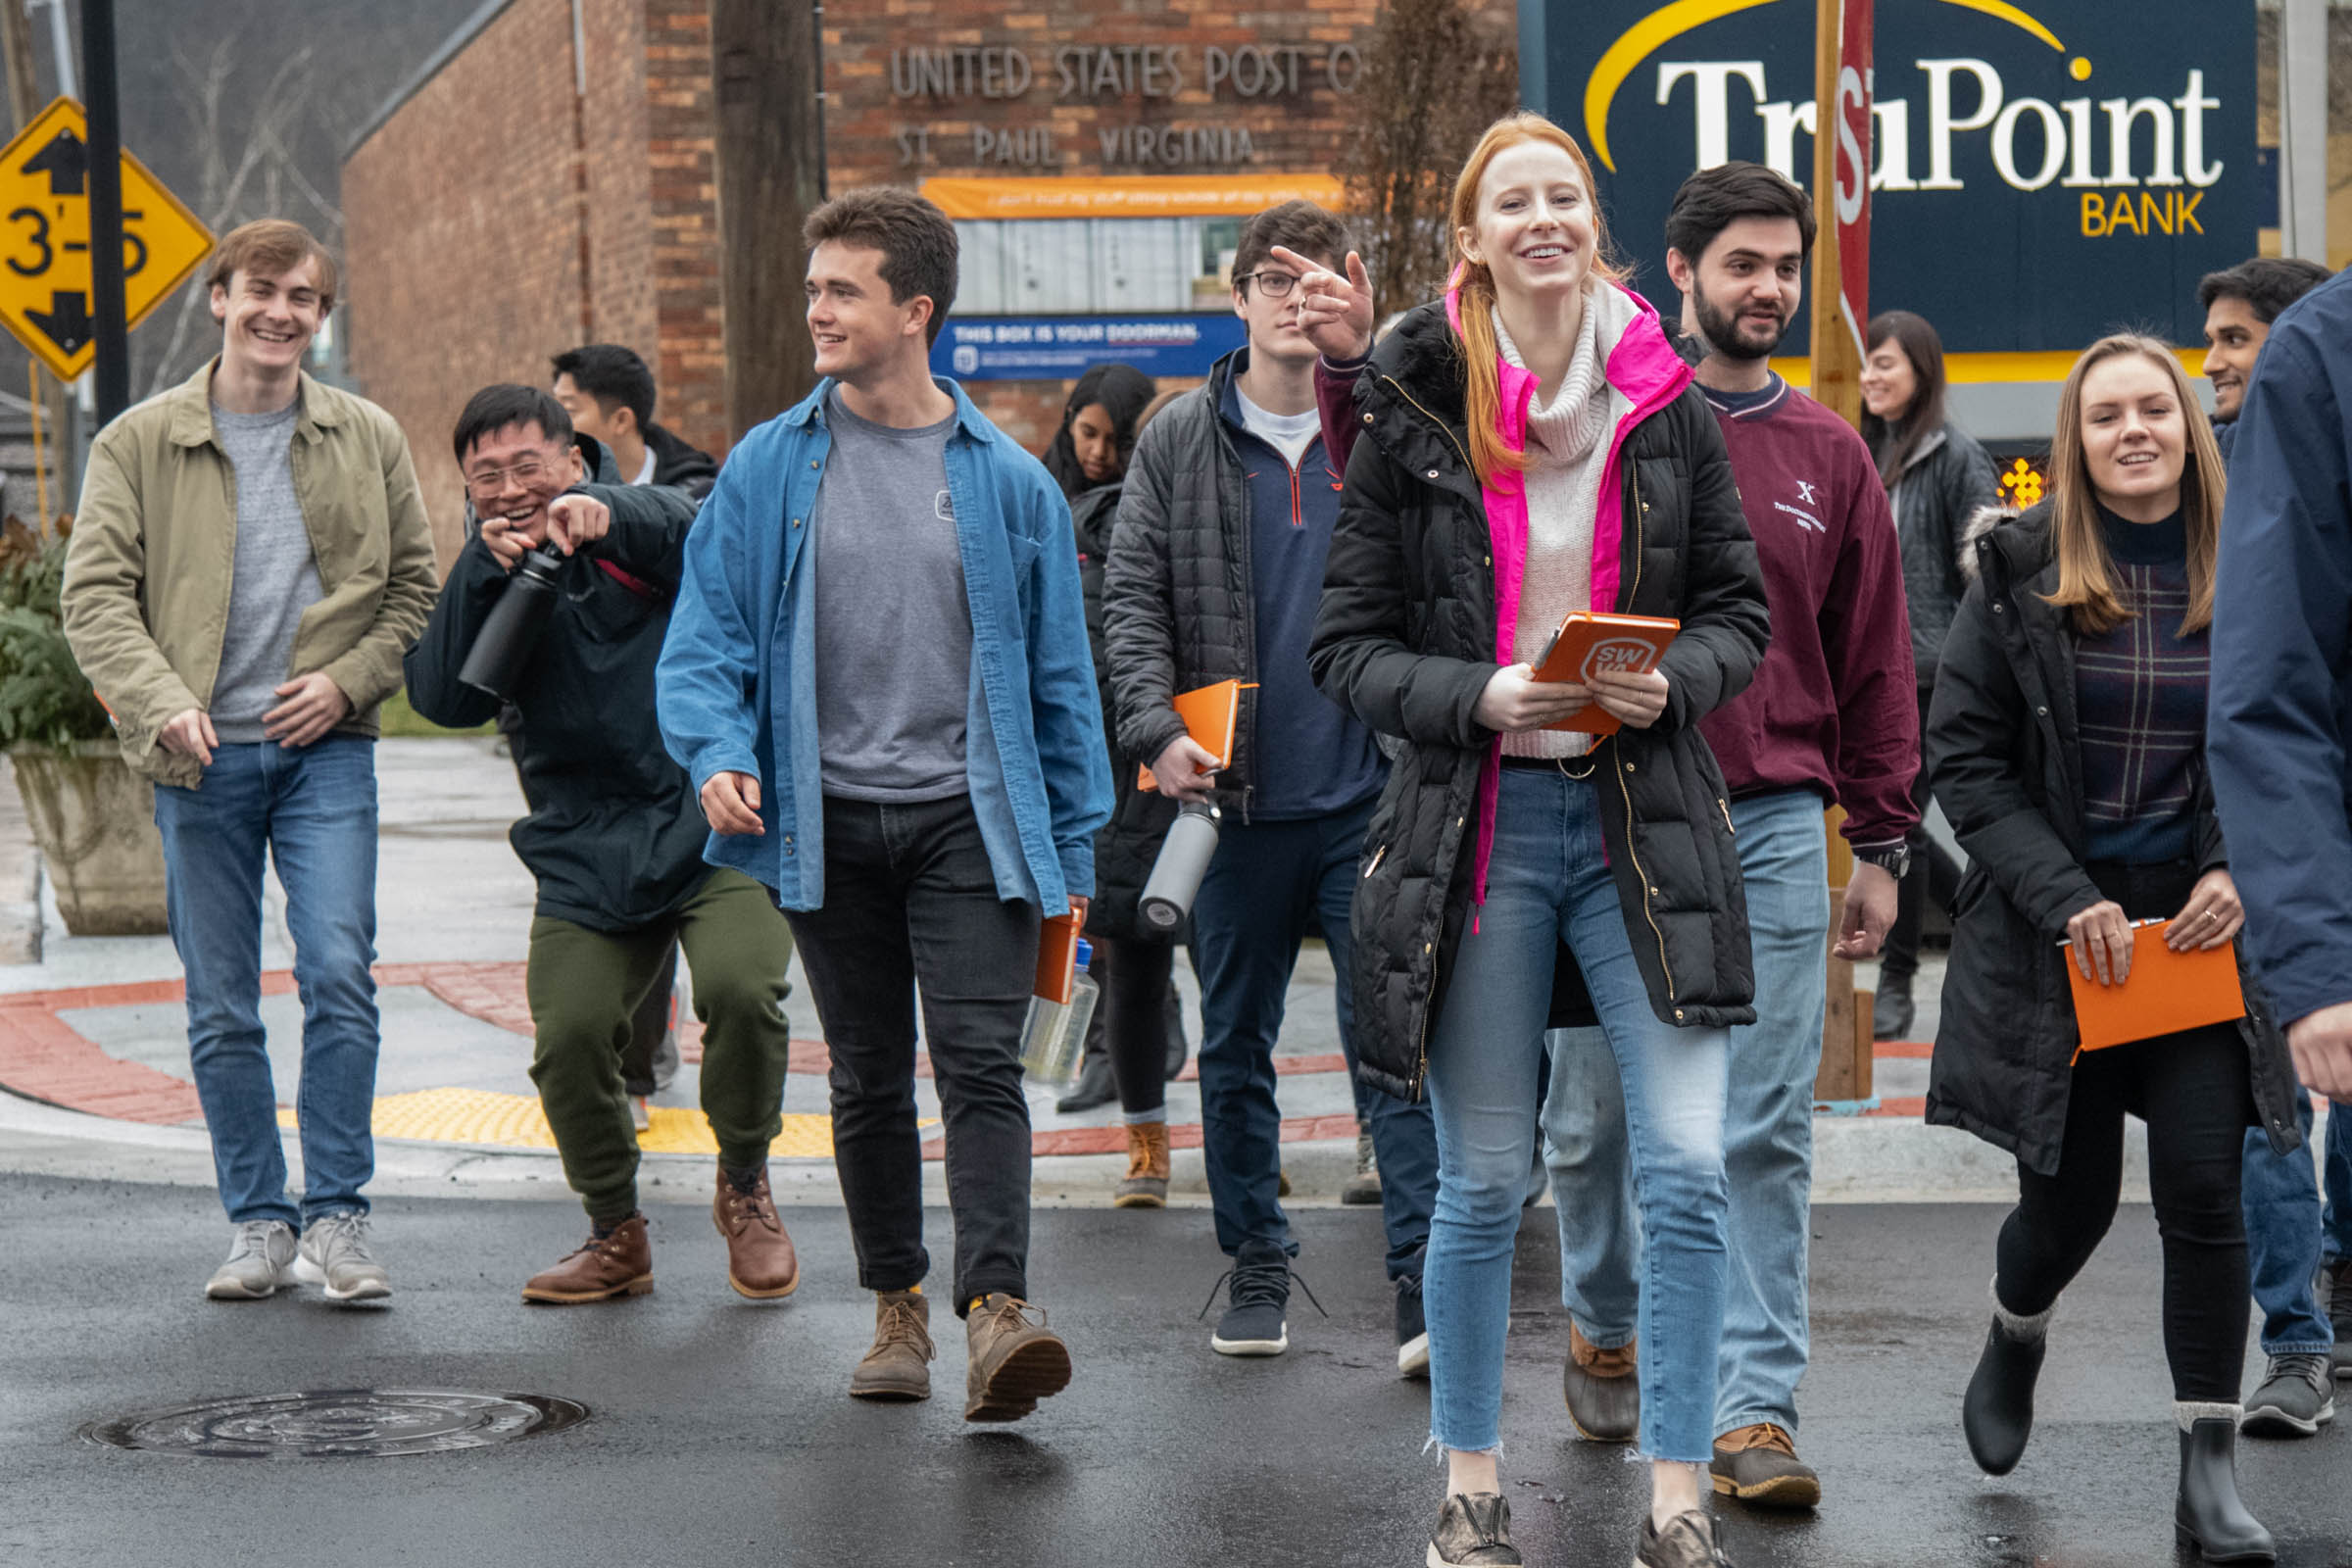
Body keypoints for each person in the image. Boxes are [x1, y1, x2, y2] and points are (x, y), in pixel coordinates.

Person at [1301, 112, 1769, 1568]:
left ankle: (1678, 1498)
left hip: (1646, 824)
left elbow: (1741, 620)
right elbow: (1347, 649)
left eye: (1565, 194)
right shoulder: (1414, 406)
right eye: (1515, 201)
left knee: (1688, 1166)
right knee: (1487, 1177)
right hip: (1483, 823)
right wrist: (1480, 696)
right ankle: (1471, 1486)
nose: (1544, 218)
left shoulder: (1669, 403)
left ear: (1596, 228)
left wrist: (1670, 680)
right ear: (1474, 236)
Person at [658, 187, 1111, 1422]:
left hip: (973, 820)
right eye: (812, 288)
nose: (816, 308)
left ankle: (998, 1311)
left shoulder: (1010, 484)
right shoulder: (768, 465)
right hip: (826, 819)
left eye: (840, 289)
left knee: (979, 1067)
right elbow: (704, 640)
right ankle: (898, 1308)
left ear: (915, 311)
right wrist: (713, 751)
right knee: (863, 1074)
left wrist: (1074, 853)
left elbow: (1064, 682)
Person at [1510, 163, 1915, 1515]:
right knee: (1597, 1122)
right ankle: (1605, 1306)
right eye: (1742, 264)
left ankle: (1753, 1410)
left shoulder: (1831, 452)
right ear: (1676, 273)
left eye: (1785, 267)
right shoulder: (1611, 425)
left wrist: (1887, 841)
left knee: (1762, 1131)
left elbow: (1876, 663)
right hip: (1612, 815)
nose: (1770, 289)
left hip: (1781, 825)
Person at [1927, 334, 2303, 1564]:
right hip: (2063, 935)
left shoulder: (2260, 563)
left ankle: (2207, 1479)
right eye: (2105, 417)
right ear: (2075, 444)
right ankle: (2016, 1326)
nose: (2133, 429)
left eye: (2156, 408)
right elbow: (1967, 766)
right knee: (2070, 1205)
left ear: (2191, 426)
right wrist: (2065, 896)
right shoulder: (2017, 572)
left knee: (2205, 1186)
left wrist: (2237, 865)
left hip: (2201, 930)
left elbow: (2300, 738)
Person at [62, 220, 437, 1304]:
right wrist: (162, 701)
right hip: (201, 756)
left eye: (304, 299)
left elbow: (412, 587)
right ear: (219, 299)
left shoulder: (366, 435)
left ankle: (339, 1218)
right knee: (223, 1000)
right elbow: (94, 597)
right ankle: (259, 1221)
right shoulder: (138, 442)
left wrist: (350, 680)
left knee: (336, 973)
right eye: (261, 291)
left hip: (325, 751)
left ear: (321, 318)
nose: (282, 313)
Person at [1102, 199, 1440, 1374]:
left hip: (1375, 798)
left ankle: (1419, 1279)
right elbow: (1133, 602)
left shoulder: (1391, 429)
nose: (1299, 301)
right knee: (1237, 1044)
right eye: (1274, 281)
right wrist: (1154, 727)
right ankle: (1255, 1259)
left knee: (1390, 1044)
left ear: (1349, 292)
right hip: (1231, 805)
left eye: (1322, 280)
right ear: (1238, 299)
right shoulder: (1175, 440)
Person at [405, 384, 801, 1304]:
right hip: (583, 843)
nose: (509, 490)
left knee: (746, 990)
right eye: (486, 476)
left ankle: (744, 1183)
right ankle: (615, 1231)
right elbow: (441, 701)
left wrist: (607, 514)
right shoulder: (491, 569)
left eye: (529, 468)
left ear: (574, 461)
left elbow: (695, 521)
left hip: (709, 817)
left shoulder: (640, 528)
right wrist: (480, 571)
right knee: (570, 1037)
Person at [2190, 257, 2346, 1438]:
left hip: (2271, 843)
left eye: (2236, 335)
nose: (2218, 358)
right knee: (2275, 1107)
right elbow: (2259, 693)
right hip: (2264, 848)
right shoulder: (2307, 385)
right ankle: (2296, 1333)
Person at [551, 343, 722, 1128]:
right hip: (593, 748)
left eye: (573, 409)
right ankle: (637, 1068)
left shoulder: (698, 483)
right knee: (620, 904)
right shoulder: (544, 491)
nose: (560, 425)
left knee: (706, 923)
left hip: (688, 747)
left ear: (619, 420)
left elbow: (692, 545)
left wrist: (612, 518)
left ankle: (648, 1065)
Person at [1050, 364, 1193, 1201]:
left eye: (1120, 439)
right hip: (1116, 766)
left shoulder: (1186, 517)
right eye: (1088, 435)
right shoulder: (1063, 514)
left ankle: (1245, 1136)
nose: (1103, 455)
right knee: (1133, 958)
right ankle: (1146, 1142)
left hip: (1196, 753)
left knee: (1238, 975)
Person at [1859, 309, 1997, 1041]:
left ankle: (1896, 980)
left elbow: (1984, 572)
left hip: (1937, 670)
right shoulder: (1861, 452)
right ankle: (1986, 911)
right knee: (1900, 825)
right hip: (1875, 674)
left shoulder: (1955, 456)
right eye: (1868, 364)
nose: (1872, 376)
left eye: (1887, 363)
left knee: (1895, 825)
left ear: (1921, 370)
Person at [2194, 259, 2332, 461]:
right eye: (2210, 342)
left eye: (2233, 339)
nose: (2209, 366)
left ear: (2303, 346)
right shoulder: (2189, 459)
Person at [553, 342, 719, 497]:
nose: (555, 424)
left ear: (621, 421)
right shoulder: (555, 490)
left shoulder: (696, 497)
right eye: (554, 409)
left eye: (568, 411)